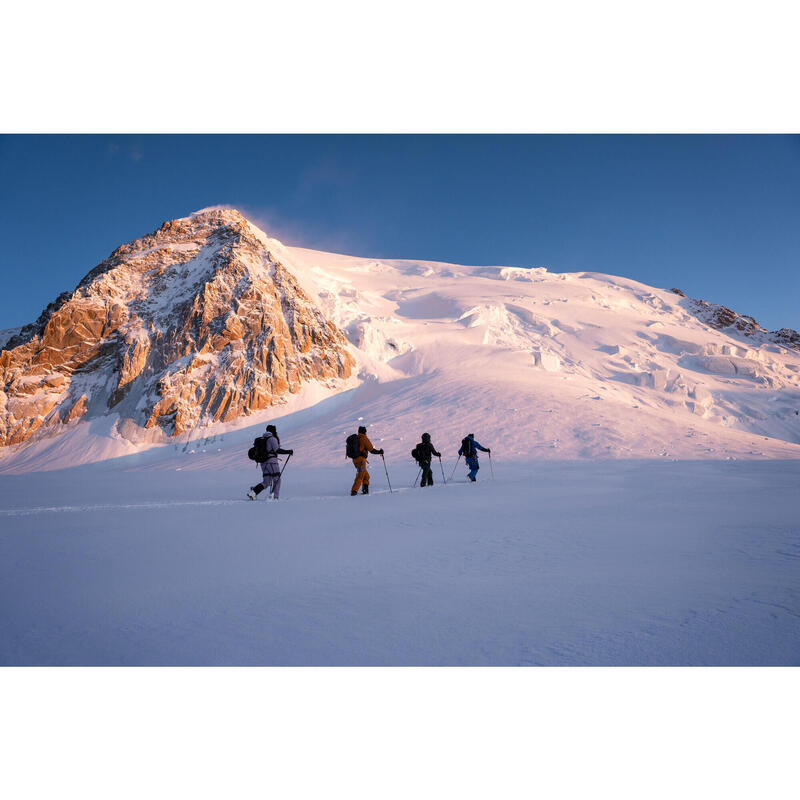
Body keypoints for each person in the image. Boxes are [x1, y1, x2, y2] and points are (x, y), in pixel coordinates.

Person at [247, 424, 293, 500]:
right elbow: (277, 450)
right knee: (277, 479)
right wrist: (288, 451)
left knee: (266, 482)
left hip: (263, 463)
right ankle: (275, 498)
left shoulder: (263, 439)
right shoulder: (272, 439)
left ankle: (253, 493)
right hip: (271, 462)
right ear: (273, 431)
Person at [350, 425, 384, 496]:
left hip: (355, 460)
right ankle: (354, 491)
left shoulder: (357, 438)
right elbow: (371, 450)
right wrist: (380, 452)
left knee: (366, 476)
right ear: (365, 432)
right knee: (360, 476)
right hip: (361, 460)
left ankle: (365, 491)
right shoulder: (364, 438)